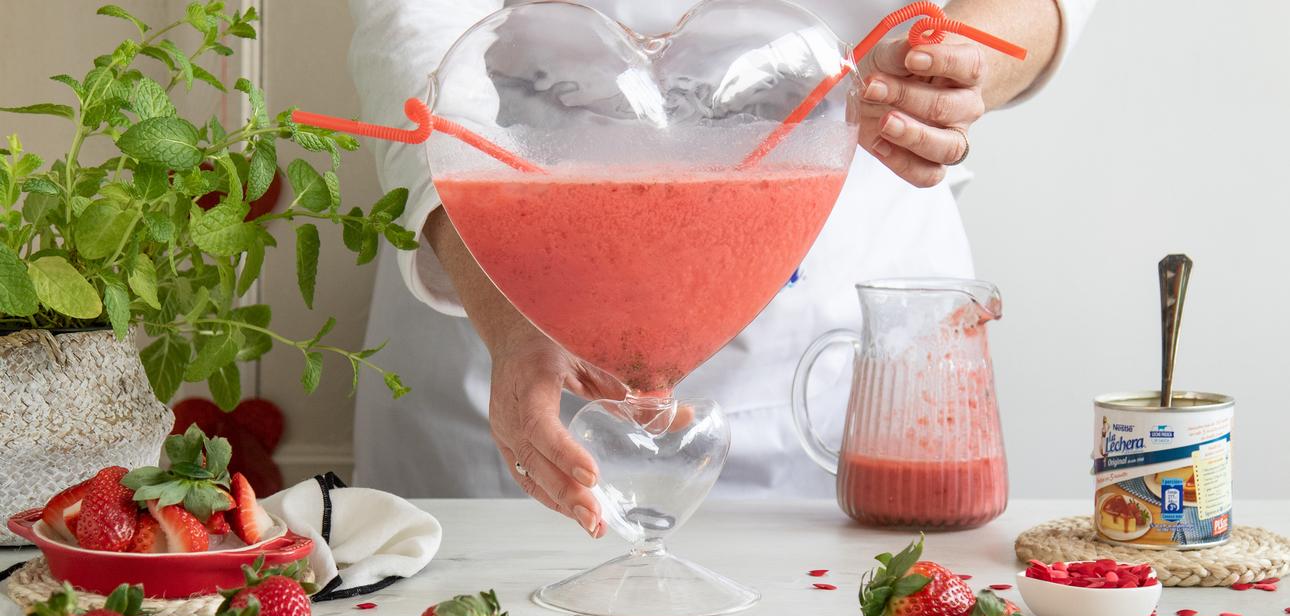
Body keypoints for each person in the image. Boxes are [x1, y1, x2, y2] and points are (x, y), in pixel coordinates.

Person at [349, 0, 1096, 537]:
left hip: (841, 323)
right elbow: (415, 32)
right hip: (505, 297)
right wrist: (509, 319)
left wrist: (945, 66)